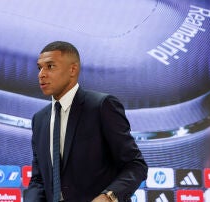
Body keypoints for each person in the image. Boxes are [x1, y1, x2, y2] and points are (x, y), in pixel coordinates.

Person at [24, 41, 148, 202]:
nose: (41, 74)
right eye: (39, 68)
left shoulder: (102, 106)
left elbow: (135, 165)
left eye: (50, 66)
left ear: (73, 69)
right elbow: (39, 180)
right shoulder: (39, 119)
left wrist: (109, 196)